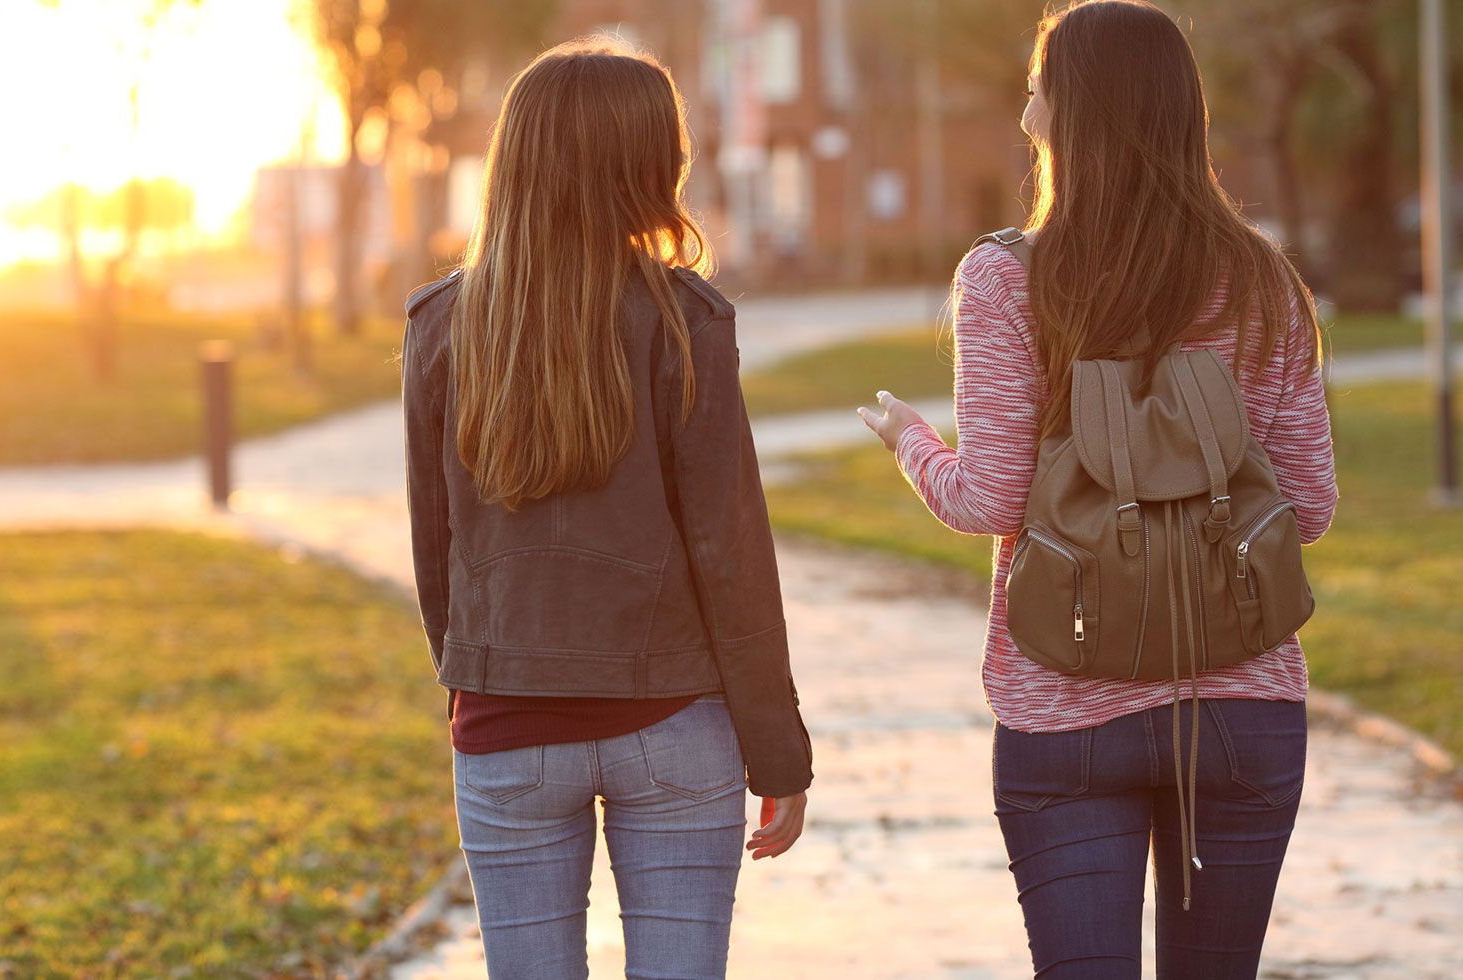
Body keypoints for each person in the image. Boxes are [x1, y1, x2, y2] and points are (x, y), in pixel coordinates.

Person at [858, 2, 1337, 977]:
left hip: (1062, 705)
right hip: (1238, 706)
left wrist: (910, 439)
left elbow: (991, 500)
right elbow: (1309, 507)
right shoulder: (1263, 283)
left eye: (1036, 88)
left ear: (1061, 115)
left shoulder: (1006, 278)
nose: (1025, 108)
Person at [402, 38, 812, 980]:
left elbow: (437, 559)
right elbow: (732, 554)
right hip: (673, 726)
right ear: (647, 167)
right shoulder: (685, 321)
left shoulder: (441, 326)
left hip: (507, 729)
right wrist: (777, 753)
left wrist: (486, 681)